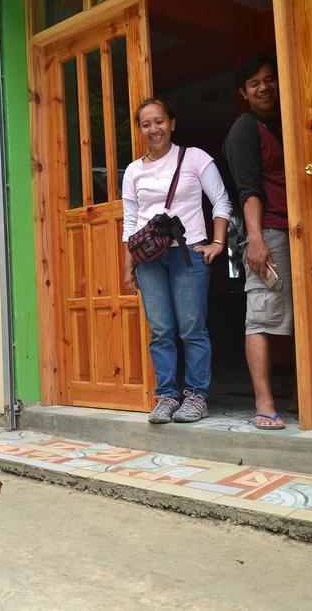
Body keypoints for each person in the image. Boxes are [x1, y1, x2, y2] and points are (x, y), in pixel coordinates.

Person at [122, 98, 232, 424]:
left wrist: (217, 242)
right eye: (146, 124)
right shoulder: (133, 171)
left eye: (159, 121)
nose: (154, 129)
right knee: (160, 330)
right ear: (140, 129)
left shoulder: (195, 158)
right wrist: (128, 266)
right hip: (149, 260)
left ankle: (196, 396)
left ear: (172, 123)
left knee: (191, 328)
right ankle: (167, 396)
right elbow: (130, 222)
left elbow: (221, 201)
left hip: (188, 253)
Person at [223, 54, 292, 430]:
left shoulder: (286, 123)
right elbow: (247, 188)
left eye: (269, 79)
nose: (264, 87)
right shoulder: (245, 130)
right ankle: (264, 403)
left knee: (306, 315)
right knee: (262, 316)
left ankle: (304, 395)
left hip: (297, 229)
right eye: (255, 83)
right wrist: (255, 240)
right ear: (243, 93)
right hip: (268, 232)